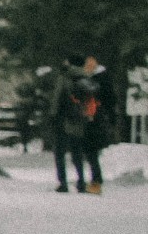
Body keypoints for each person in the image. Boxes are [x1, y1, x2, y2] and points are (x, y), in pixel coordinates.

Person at [49, 54, 118, 193]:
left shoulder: (65, 76)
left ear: (69, 63)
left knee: (60, 152)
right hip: (82, 119)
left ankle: (63, 182)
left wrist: (53, 115)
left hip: (64, 119)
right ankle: (81, 181)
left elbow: (57, 98)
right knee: (78, 152)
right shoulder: (87, 78)